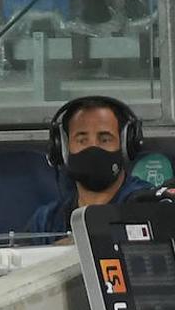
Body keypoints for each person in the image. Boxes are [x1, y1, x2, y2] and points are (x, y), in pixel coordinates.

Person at [28, 96, 151, 240]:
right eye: (82, 140)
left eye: (105, 139)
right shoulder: (46, 221)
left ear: (125, 146)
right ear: (64, 149)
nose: (93, 148)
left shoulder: (149, 206)